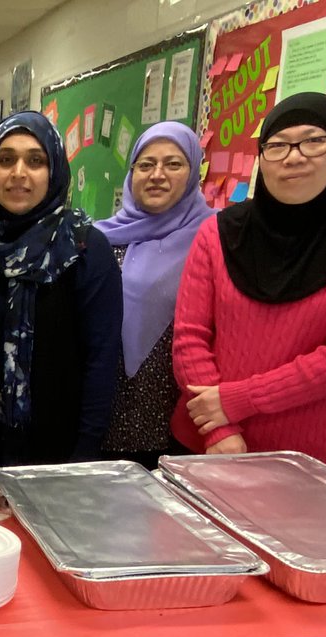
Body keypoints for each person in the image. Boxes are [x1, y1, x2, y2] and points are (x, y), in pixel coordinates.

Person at [171, 92, 326, 464]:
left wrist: (238, 401)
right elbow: (189, 338)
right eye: (278, 144)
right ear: (262, 158)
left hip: (296, 458)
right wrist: (220, 429)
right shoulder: (219, 232)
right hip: (202, 444)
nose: (294, 155)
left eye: (313, 140)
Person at [0, 111, 122, 472]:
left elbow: (101, 361)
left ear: (54, 171)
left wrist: (85, 457)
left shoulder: (83, 247)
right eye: (5, 159)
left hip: (56, 446)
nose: (19, 172)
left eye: (35, 160)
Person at [95, 122, 214, 468]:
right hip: (103, 414)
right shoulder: (99, 238)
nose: (157, 175)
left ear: (193, 173)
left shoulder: (213, 240)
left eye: (173, 164)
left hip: (174, 420)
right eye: (145, 165)